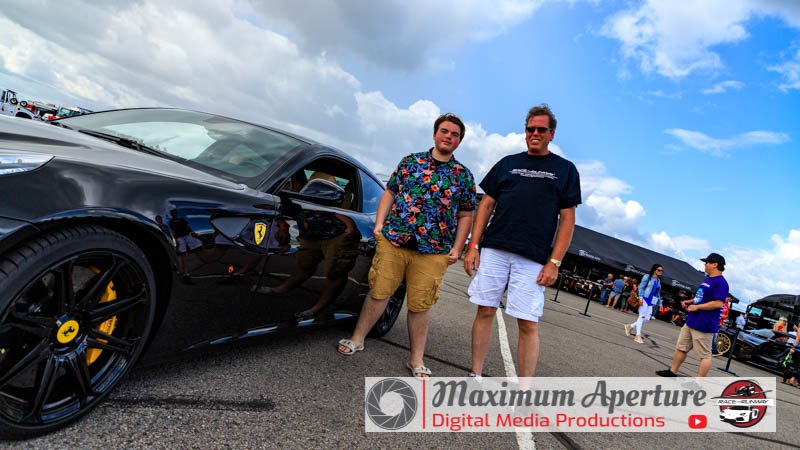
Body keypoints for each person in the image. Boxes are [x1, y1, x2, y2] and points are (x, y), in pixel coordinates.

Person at [336, 113, 476, 378]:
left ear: (459, 141)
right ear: (435, 134)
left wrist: (459, 248)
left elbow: (466, 214)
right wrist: (379, 224)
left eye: (454, 134)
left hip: (434, 249)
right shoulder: (411, 162)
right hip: (395, 240)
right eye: (444, 131)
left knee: (421, 304)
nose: (448, 136)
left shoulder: (463, 176)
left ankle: (416, 359)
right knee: (379, 291)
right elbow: (390, 191)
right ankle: (357, 338)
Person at [464, 104, 581, 379]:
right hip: (495, 249)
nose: (535, 133)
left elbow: (567, 219)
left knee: (528, 323)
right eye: (530, 129)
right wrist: (473, 245)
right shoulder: (507, 163)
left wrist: (554, 262)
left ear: (552, 134)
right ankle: (475, 374)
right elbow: (486, 205)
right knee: (485, 310)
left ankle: (525, 390)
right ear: (525, 131)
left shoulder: (565, 170)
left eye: (541, 129)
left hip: (532, 257)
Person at [657, 253, 729, 378]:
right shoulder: (708, 279)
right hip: (692, 321)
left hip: (704, 324)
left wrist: (697, 307)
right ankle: (672, 371)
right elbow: (700, 297)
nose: (705, 264)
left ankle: (698, 383)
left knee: (704, 355)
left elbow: (718, 303)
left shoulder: (721, 283)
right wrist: (689, 302)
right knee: (681, 347)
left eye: (707, 262)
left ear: (715, 264)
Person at [624, 264, 662, 344]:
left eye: (661, 270)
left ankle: (630, 326)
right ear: (654, 270)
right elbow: (641, 287)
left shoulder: (658, 281)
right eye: (659, 270)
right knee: (642, 317)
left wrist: (660, 304)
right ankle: (637, 336)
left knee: (647, 318)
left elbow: (658, 293)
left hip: (652, 301)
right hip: (644, 298)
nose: (660, 272)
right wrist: (640, 298)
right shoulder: (647, 277)